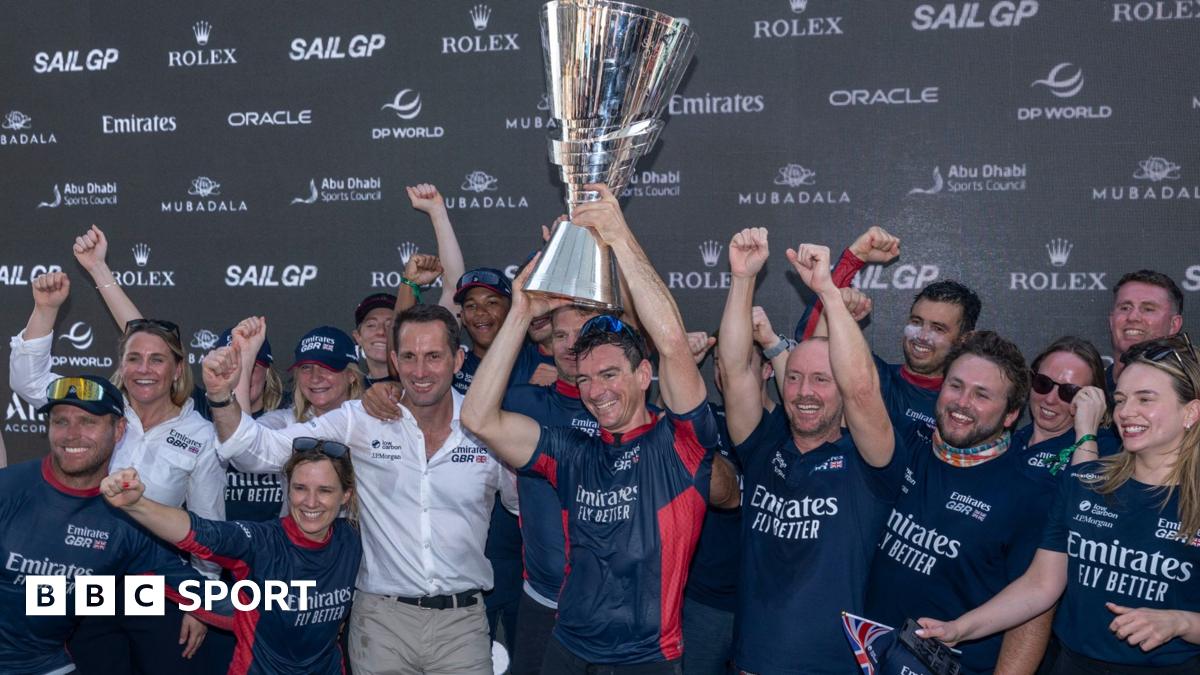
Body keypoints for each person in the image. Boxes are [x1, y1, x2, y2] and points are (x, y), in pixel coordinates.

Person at [462, 184, 739, 673]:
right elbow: (478, 419)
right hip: (566, 647)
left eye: (610, 375)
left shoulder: (679, 445)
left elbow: (672, 343)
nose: (596, 390)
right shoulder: (573, 451)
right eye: (586, 378)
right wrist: (523, 311)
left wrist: (617, 233)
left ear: (642, 375)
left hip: (645, 658)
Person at [205, 304, 517, 675]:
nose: (420, 371)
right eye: (409, 357)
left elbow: (524, 507)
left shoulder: (488, 428)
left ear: (458, 359)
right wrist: (222, 397)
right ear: (393, 362)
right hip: (381, 624)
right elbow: (256, 453)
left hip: (462, 624)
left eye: (434, 356)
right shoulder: (361, 419)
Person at [917, 334, 1200, 673]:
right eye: (1121, 399)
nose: (1126, 412)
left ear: (1191, 411)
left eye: (1145, 399)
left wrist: (1182, 622)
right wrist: (960, 628)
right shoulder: (1084, 480)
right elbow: (1041, 584)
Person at [719, 230, 906, 675]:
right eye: (795, 377)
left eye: (822, 380)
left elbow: (862, 389)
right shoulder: (765, 445)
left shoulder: (871, 463)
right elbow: (733, 368)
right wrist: (743, 279)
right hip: (751, 663)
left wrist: (828, 291)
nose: (805, 392)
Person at [0, 375, 231, 675]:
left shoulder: (125, 521)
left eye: (87, 422)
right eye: (61, 421)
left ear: (119, 430)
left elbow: (208, 597)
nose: (72, 434)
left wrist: (297, 601)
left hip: (44, 664)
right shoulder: (9, 490)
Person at [865, 331, 1052, 674]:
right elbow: (853, 389)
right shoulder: (907, 442)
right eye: (956, 385)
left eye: (982, 395)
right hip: (869, 657)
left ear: (1011, 415)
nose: (962, 402)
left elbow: (1034, 612)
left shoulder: (1030, 493)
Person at [100, 436, 363, 675]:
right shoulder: (264, 542)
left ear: (346, 495)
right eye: (300, 488)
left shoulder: (352, 540)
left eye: (325, 491)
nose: (311, 501)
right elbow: (203, 532)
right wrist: (137, 504)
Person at [792, 226, 982, 447]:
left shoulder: (962, 407)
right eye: (916, 322)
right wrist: (854, 259)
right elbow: (811, 348)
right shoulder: (874, 376)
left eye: (938, 329)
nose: (922, 336)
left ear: (964, 339)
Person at [499, 302, 603, 674]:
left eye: (582, 332)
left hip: (610, 607)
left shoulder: (627, 412)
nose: (571, 344)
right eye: (561, 335)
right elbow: (472, 410)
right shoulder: (524, 403)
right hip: (542, 602)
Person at [682, 312, 778, 675]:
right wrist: (681, 369)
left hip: (770, 609)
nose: (726, 373)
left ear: (769, 368)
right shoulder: (706, 422)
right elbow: (658, 437)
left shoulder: (795, 433)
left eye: (739, 361)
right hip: (705, 603)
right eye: (720, 362)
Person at [1017, 336, 1120, 485]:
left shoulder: (1106, 450)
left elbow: (1083, 503)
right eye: (1043, 383)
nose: (1050, 399)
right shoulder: (1010, 440)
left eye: (1068, 392)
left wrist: (1086, 437)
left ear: (1091, 400)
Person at [1106, 270, 1184, 393]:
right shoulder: (1088, 387)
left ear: (1174, 325)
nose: (1132, 317)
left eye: (1148, 309)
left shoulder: (1191, 393)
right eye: (1125, 308)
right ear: (1111, 320)